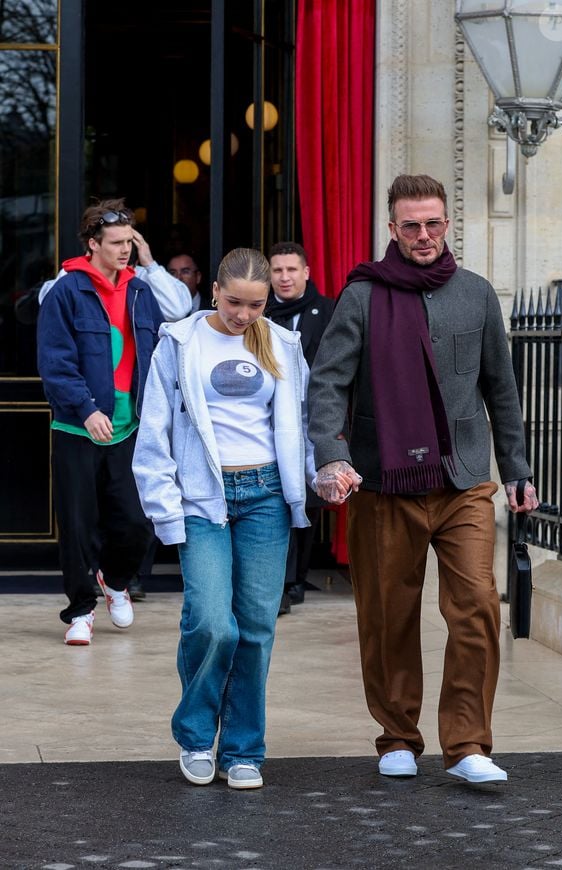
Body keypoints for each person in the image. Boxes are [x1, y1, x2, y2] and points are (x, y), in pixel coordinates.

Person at [307, 173, 539, 785]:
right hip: (384, 478)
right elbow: (328, 382)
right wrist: (331, 454)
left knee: (478, 608)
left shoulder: (477, 294)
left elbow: (502, 389)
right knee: (388, 613)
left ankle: (466, 746)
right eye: (410, 225)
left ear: (446, 224)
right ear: (392, 229)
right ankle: (397, 736)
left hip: (463, 479)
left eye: (433, 223)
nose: (424, 235)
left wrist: (516, 469)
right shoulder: (360, 297)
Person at [132, 247, 323, 790]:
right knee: (212, 622)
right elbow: (154, 434)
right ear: (214, 291)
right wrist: (167, 513)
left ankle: (243, 750)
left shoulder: (284, 345)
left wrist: (320, 475)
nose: (243, 315)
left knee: (257, 628)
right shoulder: (180, 342)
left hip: (265, 495)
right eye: (235, 302)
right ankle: (195, 737)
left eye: (256, 305)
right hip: (202, 498)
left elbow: (303, 424)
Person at [37, 198, 164, 645]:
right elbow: (55, 363)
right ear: (93, 244)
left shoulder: (140, 291)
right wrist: (86, 408)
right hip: (77, 427)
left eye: (129, 241)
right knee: (77, 523)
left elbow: (160, 353)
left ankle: (114, 580)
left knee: (136, 521)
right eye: (116, 243)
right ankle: (80, 611)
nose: (125, 250)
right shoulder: (66, 291)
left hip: (130, 427)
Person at [265, 241, 334, 614]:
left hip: (314, 417)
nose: (285, 277)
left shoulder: (328, 311)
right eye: (277, 270)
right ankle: (279, 584)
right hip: (269, 420)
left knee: (308, 498)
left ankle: (295, 579)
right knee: (276, 498)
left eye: (292, 269)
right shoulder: (259, 313)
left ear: (306, 272)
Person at [39, 228, 192, 323]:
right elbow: (48, 304)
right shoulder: (77, 276)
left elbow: (177, 311)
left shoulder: (143, 277)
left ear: (135, 263)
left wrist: (150, 264)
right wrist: (84, 263)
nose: (116, 274)